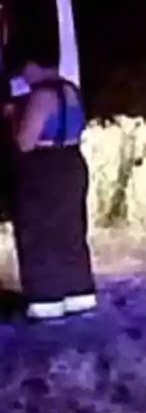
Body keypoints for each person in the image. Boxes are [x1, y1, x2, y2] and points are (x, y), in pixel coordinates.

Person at [8, 53, 96, 321]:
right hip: (73, 161)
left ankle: (46, 300)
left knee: (38, 231)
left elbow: (24, 142)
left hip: (46, 166)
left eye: (24, 73)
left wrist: (13, 118)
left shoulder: (41, 96)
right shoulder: (72, 90)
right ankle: (80, 294)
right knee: (70, 229)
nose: (23, 79)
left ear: (34, 66)